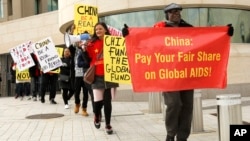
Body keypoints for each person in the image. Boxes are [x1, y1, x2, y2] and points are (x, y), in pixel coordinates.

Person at [122, 3, 234, 141]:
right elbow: (145, 43)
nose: (176, 13)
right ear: (167, 14)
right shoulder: (159, 29)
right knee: (174, 104)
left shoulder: (188, 29)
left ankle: (182, 137)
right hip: (168, 75)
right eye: (173, 11)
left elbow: (205, 40)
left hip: (186, 74)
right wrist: (129, 35)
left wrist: (225, 33)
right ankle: (170, 134)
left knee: (187, 106)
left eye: (178, 11)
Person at [84, 22, 119, 135]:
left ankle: (108, 124)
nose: (98, 31)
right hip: (97, 76)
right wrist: (83, 49)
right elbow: (87, 60)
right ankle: (97, 115)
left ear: (105, 29)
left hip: (110, 74)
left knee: (107, 102)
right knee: (98, 102)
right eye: (96, 29)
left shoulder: (113, 41)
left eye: (100, 28)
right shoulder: (91, 43)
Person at [73, 40, 93, 116]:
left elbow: (88, 62)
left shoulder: (87, 50)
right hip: (77, 75)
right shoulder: (75, 50)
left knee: (85, 93)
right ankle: (77, 104)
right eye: (79, 42)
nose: (81, 43)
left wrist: (85, 64)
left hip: (86, 75)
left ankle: (84, 108)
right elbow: (79, 64)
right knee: (77, 92)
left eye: (82, 42)